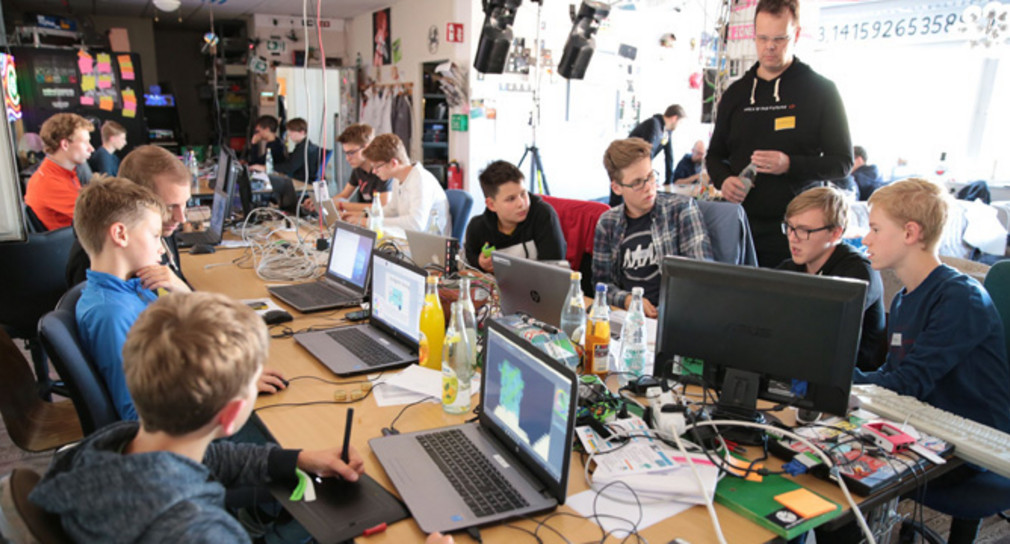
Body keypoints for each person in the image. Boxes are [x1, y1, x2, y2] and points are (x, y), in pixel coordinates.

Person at [30, 291, 456, 544]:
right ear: (235, 413)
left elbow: (206, 461)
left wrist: (297, 459)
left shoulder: (104, 447)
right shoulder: (201, 531)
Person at [817, 179, 1010, 544]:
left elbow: (908, 383)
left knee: (839, 483)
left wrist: (830, 374)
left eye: (875, 229)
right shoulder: (906, 298)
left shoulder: (959, 298)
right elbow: (893, 377)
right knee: (822, 461)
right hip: (920, 428)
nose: (867, 238)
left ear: (910, 232)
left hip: (968, 449)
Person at [72, 178, 286, 421]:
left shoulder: (132, 288)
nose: (162, 249)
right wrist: (232, 391)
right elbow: (137, 415)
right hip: (181, 428)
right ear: (120, 234)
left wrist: (230, 377)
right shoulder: (112, 314)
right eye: (154, 236)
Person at [706, 0, 852, 267]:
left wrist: (790, 164)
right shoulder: (736, 94)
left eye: (779, 38)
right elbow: (714, 156)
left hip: (799, 233)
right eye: (762, 38)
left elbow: (842, 162)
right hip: (742, 224)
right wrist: (724, 180)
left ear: (795, 34)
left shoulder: (821, 91)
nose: (769, 47)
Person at [594, 138, 713, 318]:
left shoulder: (681, 210)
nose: (649, 187)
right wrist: (626, 300)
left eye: (650, 176)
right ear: (617, 188)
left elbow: (702, 276)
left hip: (674, 315)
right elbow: (601, 284)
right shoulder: (607, 223)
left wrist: (667, 309)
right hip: (628, 317)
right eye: (637, 183)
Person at [776, 186, 885, 371]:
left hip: (854, 380)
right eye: (790, 228)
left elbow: (822, 333)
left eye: (804, 230)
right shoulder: (790, 267)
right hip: (803, 368)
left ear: (835, 233)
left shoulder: (858, 271)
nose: (793, 238)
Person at [66, 144, 194, 289]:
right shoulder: (99, 258)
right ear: (137, 198)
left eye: (185, 203)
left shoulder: (163, 228)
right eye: (170, 206)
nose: (181, 218)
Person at [464, 160, 566, 273]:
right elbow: (469, 255)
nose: (521, 203)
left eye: (523, 194)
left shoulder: (543, 215)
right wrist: (479, 262)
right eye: (511, 199)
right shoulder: (477, 227)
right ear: (491, 205)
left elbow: (554, 269)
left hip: (538, 287)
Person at [345, 133, 450, 235]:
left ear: (393, 163)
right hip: (411, 237)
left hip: (428, 243)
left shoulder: (420, 180)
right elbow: (392, 210)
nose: (374, 171)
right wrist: (363, 216)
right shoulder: (398, 178)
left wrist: (369, 222)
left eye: (377, 166)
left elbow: (416, 224)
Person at [23, 113, 95, 230]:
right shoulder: (50, 183)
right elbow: (98, 218)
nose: (91, 148)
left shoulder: (61, 172)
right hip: (73, 245)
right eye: (85, 142)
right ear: (65, 144)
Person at [304, 123, 391, 215]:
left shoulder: (383, 169)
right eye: (346, 153)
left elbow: (382, 207)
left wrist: (341, 205)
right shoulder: (358, 169)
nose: (347, 158)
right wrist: (323, 203)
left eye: (351, 153)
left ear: (367, 147)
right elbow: (344, 195)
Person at [611, 104, 685, 206]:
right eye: (680, 122)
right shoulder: (654, 124)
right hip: (624, 165)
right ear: (674, 118)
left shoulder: (666, 132)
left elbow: (669, 156)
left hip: (635, 168)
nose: (679, 125)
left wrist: (669, 181)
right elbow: (646, 154)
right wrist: (647, 178)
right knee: (619, 203)